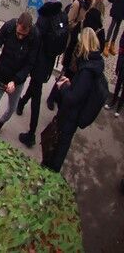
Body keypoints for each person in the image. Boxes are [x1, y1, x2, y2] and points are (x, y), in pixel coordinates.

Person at [42, 28, 105, 172]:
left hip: (70, 116)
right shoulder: (95, 63)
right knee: (61, 143)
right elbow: (80, 91)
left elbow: (72, 98)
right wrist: (70, 84)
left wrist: (63, 87)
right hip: (74, 115)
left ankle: (49, 172)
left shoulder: (87, 71)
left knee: (59, 147)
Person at [17, 0, 66, 148]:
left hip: (39, 61)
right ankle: (21, 103)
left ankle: (31, 134)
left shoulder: (44, 17)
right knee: (34, 85)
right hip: (50, 61)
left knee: (36, 97)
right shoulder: (61, 14)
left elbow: (36, 39)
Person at [63, 0, 96, 75]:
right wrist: (78, 26)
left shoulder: (88, 4)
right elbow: (68, 23)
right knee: (68, 63)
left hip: (80, 39)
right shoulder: (77, 4)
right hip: (72, 38)